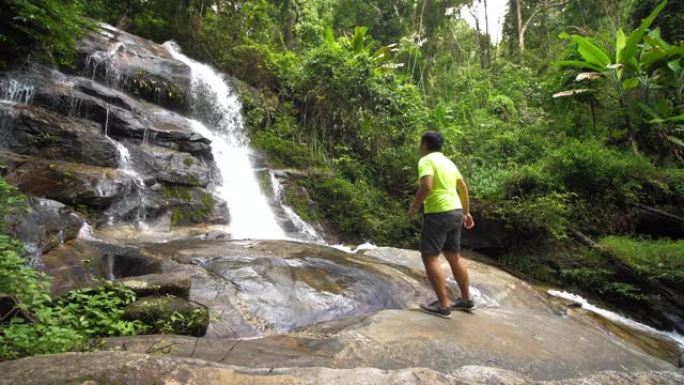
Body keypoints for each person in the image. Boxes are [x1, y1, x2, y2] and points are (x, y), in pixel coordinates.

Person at [408, 131, 475, 319]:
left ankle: (444, 306)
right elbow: (463, 188)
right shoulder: (449, 162)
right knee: (454, 256)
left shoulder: (426, 160)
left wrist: (414, 207)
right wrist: (466, 212)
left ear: (424, 144)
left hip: (438, 212)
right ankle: (465, 299)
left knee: (429, 257)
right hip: (455, 212)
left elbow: (427, 186)